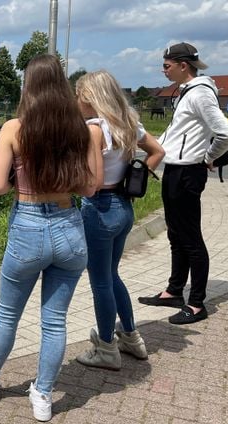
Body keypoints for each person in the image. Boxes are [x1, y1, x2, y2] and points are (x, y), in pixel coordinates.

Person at [0, 54, 101, 422]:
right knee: (55, 320)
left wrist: (20, 179)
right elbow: (90, 188)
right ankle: (42, 395)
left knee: (8, 314)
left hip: (28, 224)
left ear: (29, 86)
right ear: (62, 85)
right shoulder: (82, 130)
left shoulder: (14, 128)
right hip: (70, 227)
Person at [138, 42, 228, 324]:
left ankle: (197, 304)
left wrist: (207, 158)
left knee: (191, 238)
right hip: (176, 171)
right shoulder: (187, 93)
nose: (163, 69)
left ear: (183, 65)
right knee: (175, 235)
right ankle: (174, 290)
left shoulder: (200, 94)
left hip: (188, 173)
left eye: (167, 65)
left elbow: (226, 135)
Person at [74, 70, 165, 370]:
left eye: (79, 95)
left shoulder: (94, 129)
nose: (76, 101)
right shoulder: (128, 122)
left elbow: (92, 181)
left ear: (89, 97)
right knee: (112, 276)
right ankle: (131, 336)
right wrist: (136, 176)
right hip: (124, 207)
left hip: (99, 209)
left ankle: (106, 348)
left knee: (100, 282)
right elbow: (157, 151)